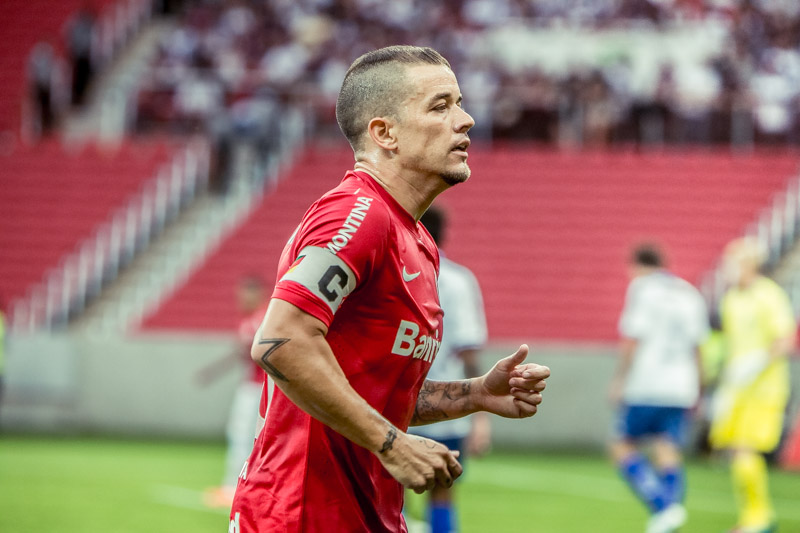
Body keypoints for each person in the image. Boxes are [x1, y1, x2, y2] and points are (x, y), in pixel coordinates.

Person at [228, 45, 550, 533]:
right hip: (300, 516)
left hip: (367, 515)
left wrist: (477, 394)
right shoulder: (357, 214)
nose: (465, 120)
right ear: (384, 133)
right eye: (440, 106)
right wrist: (392, 443)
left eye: (459, 103)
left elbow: (373, 394)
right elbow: (279, 342)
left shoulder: (417, 240)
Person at [609, 243, 709, 533]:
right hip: (681, 385)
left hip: (646, 383)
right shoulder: (689, 292)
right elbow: (699, 346)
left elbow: (632, 337)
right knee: (666, 446)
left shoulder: (642, 289)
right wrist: (700, 386)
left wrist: (619, 379)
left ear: (636, 265)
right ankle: (670, 509)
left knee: (621, 445)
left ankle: (663, 505)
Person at [408, 206, 490, 533]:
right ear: (444, 233)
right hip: (448, 408)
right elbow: (469, 350)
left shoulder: (396, 272)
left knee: (387, 490)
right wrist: (480, 415)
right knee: (442, 492)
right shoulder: (458, 281)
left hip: (397, 405)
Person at [710, 237, 796, 533]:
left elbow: (785, 340)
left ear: (748, 262)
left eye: (731, 262)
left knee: (746, 449)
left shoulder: (768, 295)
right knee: (736, 451)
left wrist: (756, 362)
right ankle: (754, 517)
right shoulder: (731, 299)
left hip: (765, 388)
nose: (727, 268)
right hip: (737, 388)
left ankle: (759, 519)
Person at [197, 277, 268, 508]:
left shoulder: (256, 320)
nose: (242, 300)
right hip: (258, 386)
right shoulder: (257, 319)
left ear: (257, 295)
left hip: (255, 387)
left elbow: (250, 353)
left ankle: (233, 486)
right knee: (246, 436)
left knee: (241, 435)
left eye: (246, 295)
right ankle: (242, 485)